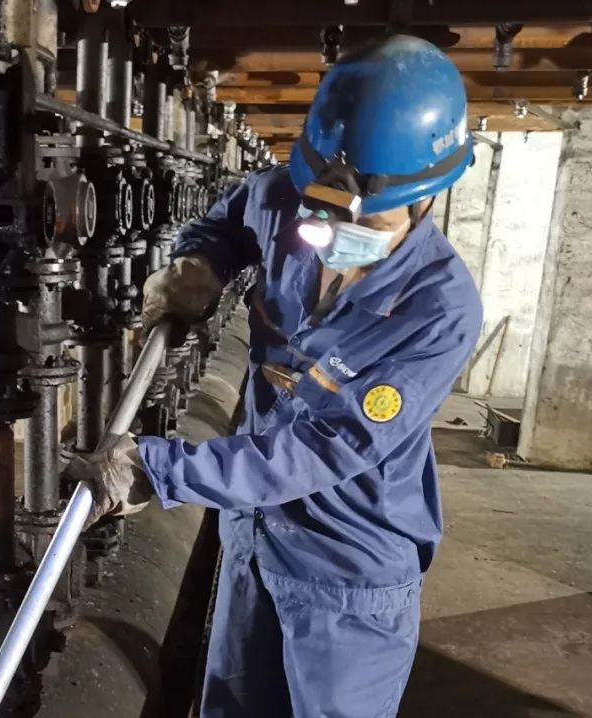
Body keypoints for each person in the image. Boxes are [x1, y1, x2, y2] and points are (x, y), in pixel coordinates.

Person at [63, 35, 484, 717]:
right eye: (323, 204)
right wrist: (198, 264)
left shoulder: (438, 310)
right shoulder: (282, 199)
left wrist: (158, 470)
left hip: (348, 569)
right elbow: (229, 223)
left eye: (367, 218)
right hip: (253, 538)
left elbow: (322, 448)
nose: (334, 228)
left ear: (429, 199)